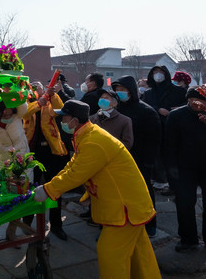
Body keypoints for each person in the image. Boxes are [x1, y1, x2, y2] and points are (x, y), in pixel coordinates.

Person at [33, 100, 160, 278]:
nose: (61, 122)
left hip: (125, 207)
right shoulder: (87, 135)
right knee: (140, 253)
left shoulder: (93, 141)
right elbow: (73, 165)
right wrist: (50, 186)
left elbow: (76, 174)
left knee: (110, 252)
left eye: (64, 118)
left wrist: (47, 190)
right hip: (129, 204)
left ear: (74, 121)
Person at [165, 87, 206, 258]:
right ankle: (188, 239)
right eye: (192, 99)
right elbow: (170, 144)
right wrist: (171, 169)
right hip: (185, 168)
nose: (196, 103)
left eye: (200, 100)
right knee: (184, 204)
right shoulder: (176, 116)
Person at [112, 75, 162, 237]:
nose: (119, 93)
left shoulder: (146, 111)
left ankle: (149, 224)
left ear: (131, 91)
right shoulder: (115, 110)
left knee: (143, 194)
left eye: (123, 90)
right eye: (117, 90)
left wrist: (148, 162)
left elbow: (154, 140)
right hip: (117, 160)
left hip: (140, 160)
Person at [23, 82, 69, 241]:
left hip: (51, 151)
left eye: (39, 86)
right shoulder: (25, 102)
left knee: (55, 187)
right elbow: (24, 114)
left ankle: (56, 225)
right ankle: (27, 222)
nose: (36, 88)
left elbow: (60, 110)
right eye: (33, 86)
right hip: (31, 151)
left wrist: (53, 94)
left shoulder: (50, 101)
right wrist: (38, 103)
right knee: (29, 187)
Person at [142, 65, 186, 192]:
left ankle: (174, 184)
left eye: (161, 72)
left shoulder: (178, 90)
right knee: (157, 155)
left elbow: (187, 103)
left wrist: (178, 109)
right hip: (155, 127)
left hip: (173, 126)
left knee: (173, 155)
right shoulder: (149, 93)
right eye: (155, 72)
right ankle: (159, 180)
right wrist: (157, 109)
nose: (158, 74)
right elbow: (145, 106)